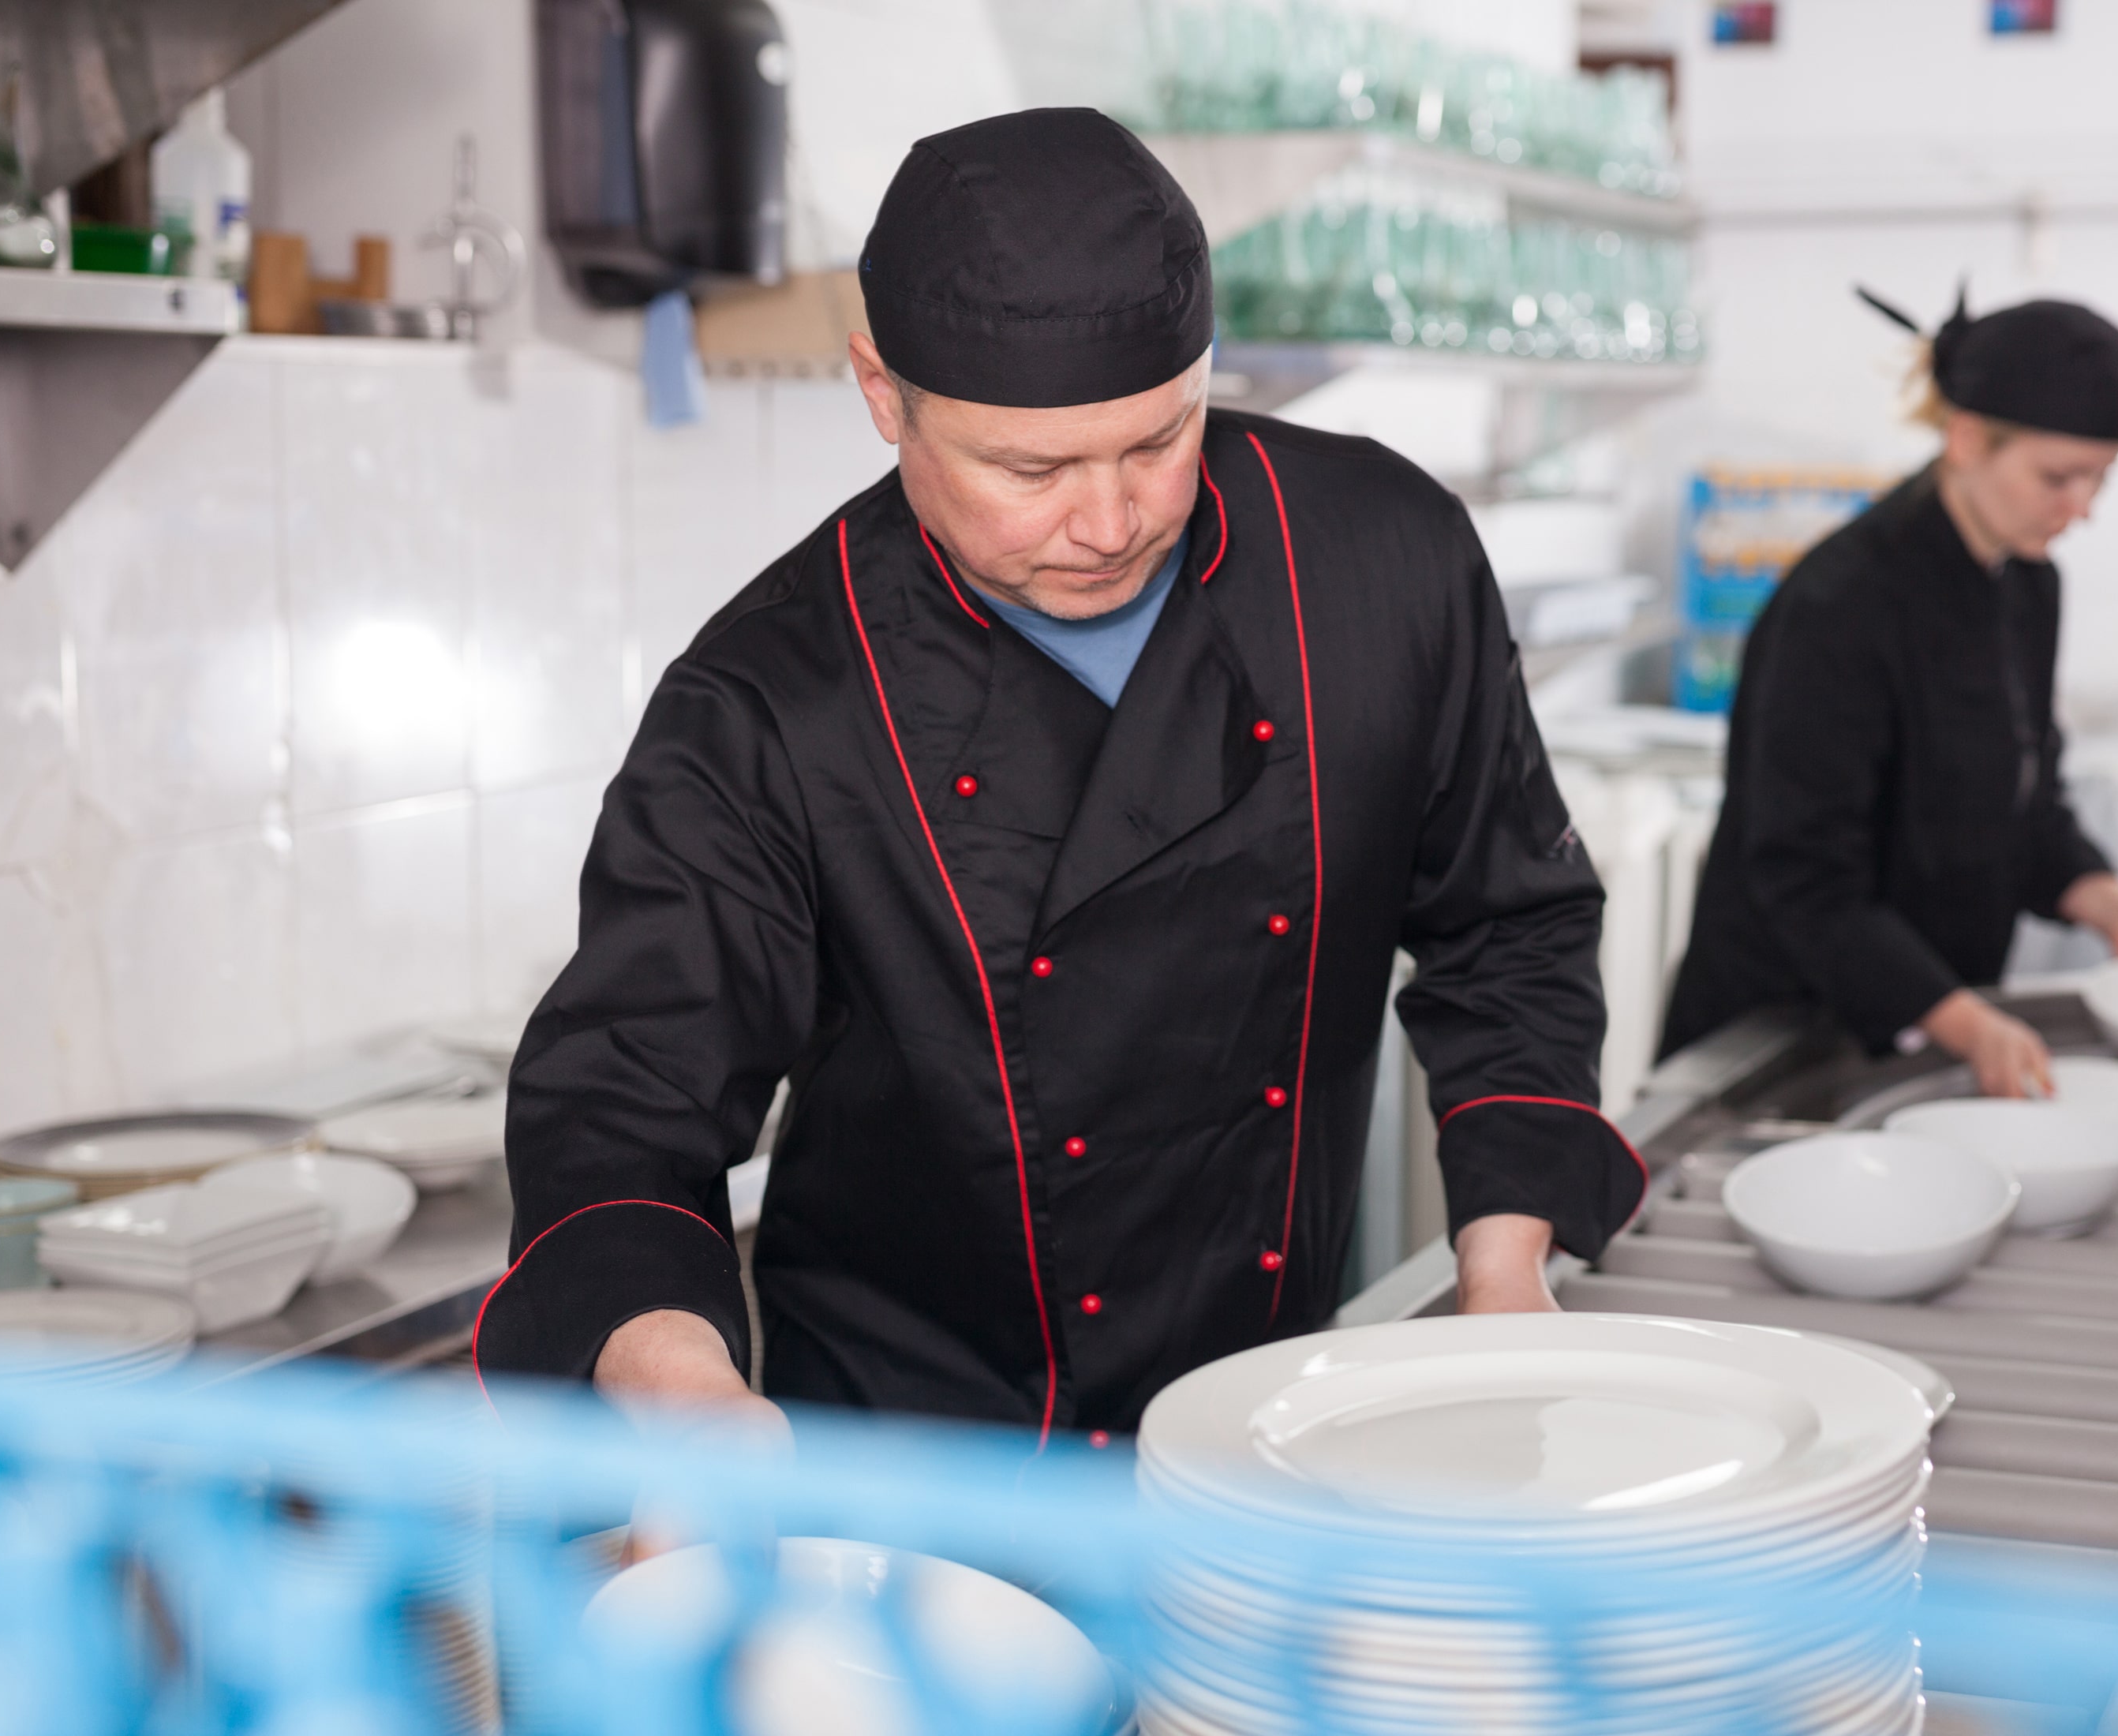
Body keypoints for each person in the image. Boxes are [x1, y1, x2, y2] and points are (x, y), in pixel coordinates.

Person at [472, 109, 1642, 1445]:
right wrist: (685, 1399)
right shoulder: (770, 702)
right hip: (912, 1468)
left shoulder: (1382, 562)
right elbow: (621, 1111)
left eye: (1159, 442)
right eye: (1030, 470)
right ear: (881, 395)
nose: (1109, 522)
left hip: (1267, 1432)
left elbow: (1509, 930)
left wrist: (1503, 1275)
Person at [1659, 289, 2118, 1098]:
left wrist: (2103, 896)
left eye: (2101, 478)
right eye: (2059, 477)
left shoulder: (2028, 585)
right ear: (1968, 439)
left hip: (1924, 1031)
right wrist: (1965, 1022)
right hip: (1780, 1042)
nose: (2083, 510)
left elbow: (2026, 803)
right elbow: (1803, 877)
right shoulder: (1840, 606)